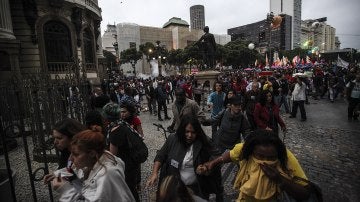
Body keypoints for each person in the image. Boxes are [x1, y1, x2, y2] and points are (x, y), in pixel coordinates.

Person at [197, 129, 311, 202]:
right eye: (260, 157)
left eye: (271, 158)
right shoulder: (245, 149)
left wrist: (279, 179)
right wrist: (212, 163)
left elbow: (305, 193)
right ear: (251, 152)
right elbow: (230, 155)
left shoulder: (286, 157)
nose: (265, 161)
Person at [146, 116, 224, 201]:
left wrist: (206, 166)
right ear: (182, 130)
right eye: (187, 131)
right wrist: (154, 173)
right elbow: (160, 156)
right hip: (176, 188)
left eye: (193, 132)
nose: (189, 135)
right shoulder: (172, 139)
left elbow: (218, 156)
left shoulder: (205, 141)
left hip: (197, 189)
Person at [52, 129, 135, 201]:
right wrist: (58, 174)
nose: (72, 159)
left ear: (92, 153)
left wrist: (65, 190)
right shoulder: (97, 158)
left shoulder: (106, 175)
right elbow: (72, 169)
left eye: (76, 154)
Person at [102, 102, 142, 201]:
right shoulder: (122, 124)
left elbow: (112, 156)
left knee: (130, 189)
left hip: (126, 165)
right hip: (131, 162)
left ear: (107, 117)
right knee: (131, 188)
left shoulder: (115, 130)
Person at [43, 118, 87, 184]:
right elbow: (68, 168)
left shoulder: (84, 153)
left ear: (72, 137)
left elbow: (79, 175)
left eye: (59, 138)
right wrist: (56, 174)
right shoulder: (66, 150)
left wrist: (62, 187)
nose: (55, 142)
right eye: (54, 138)